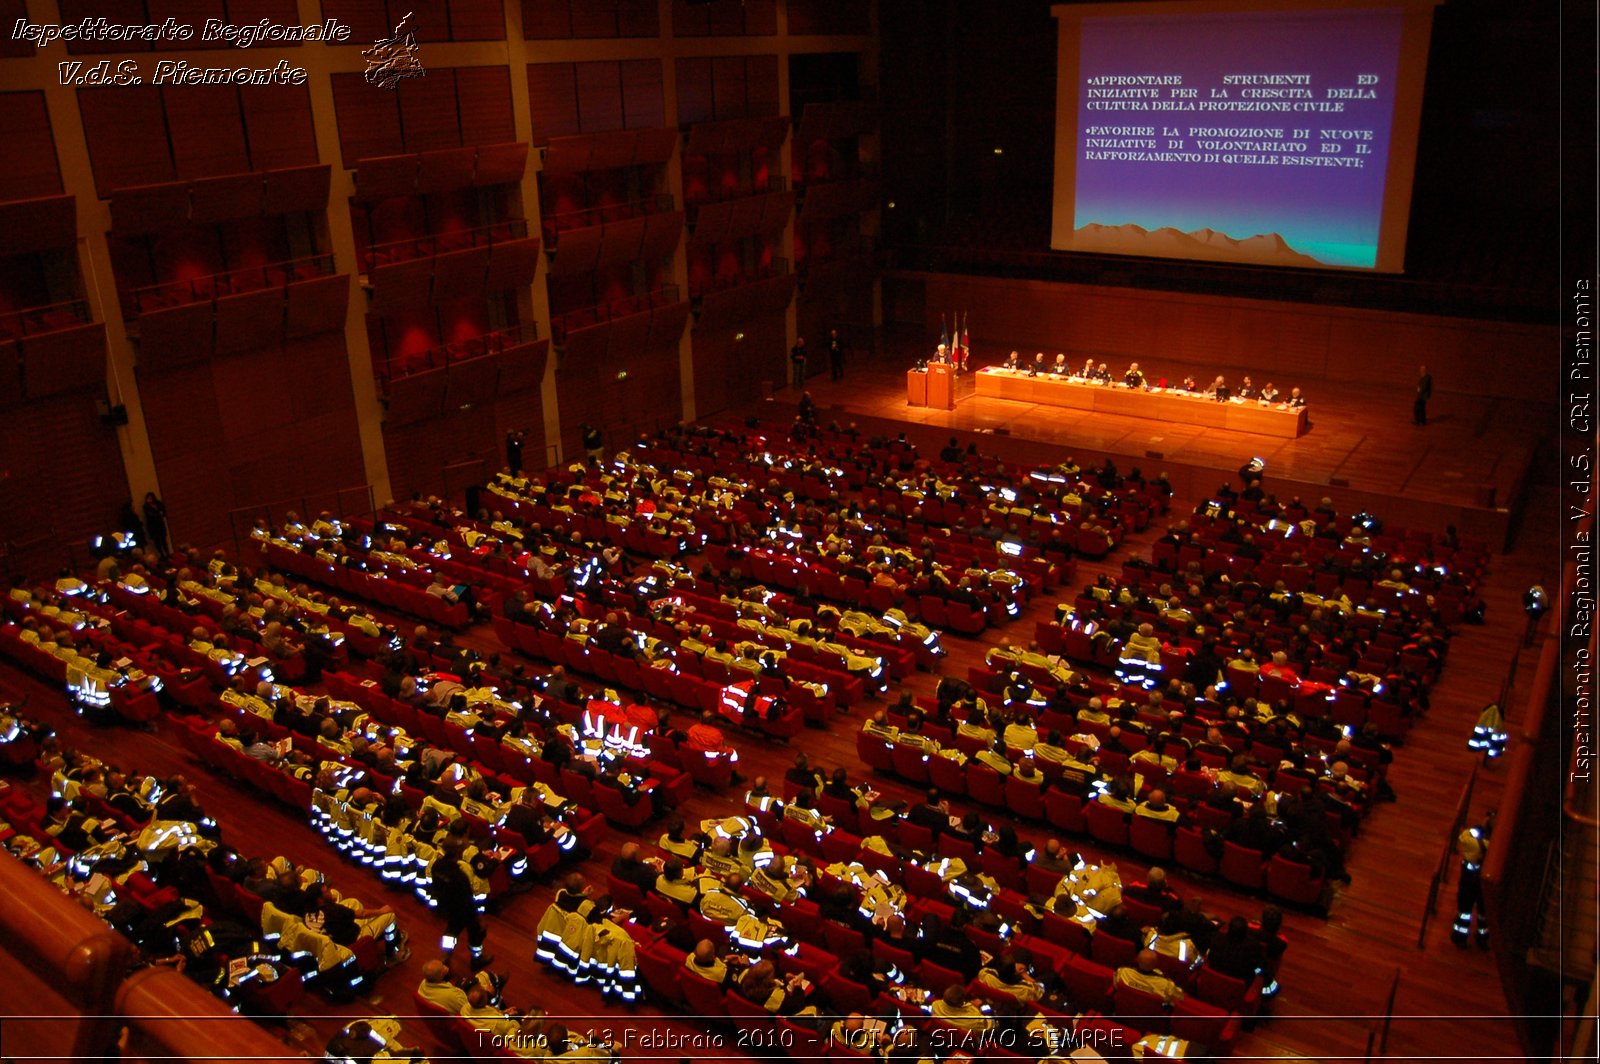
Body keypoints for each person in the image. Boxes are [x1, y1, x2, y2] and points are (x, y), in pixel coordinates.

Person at [142, 493, 170, 559]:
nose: (150, 500)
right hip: (153, 527)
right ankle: (162, 555)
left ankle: (167, 553)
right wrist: (158, 514)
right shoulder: (146, 507)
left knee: (164, 541)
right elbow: (150, 516)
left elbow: (163, 512)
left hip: (160, 525)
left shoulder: (158, 504)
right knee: (157, 542)